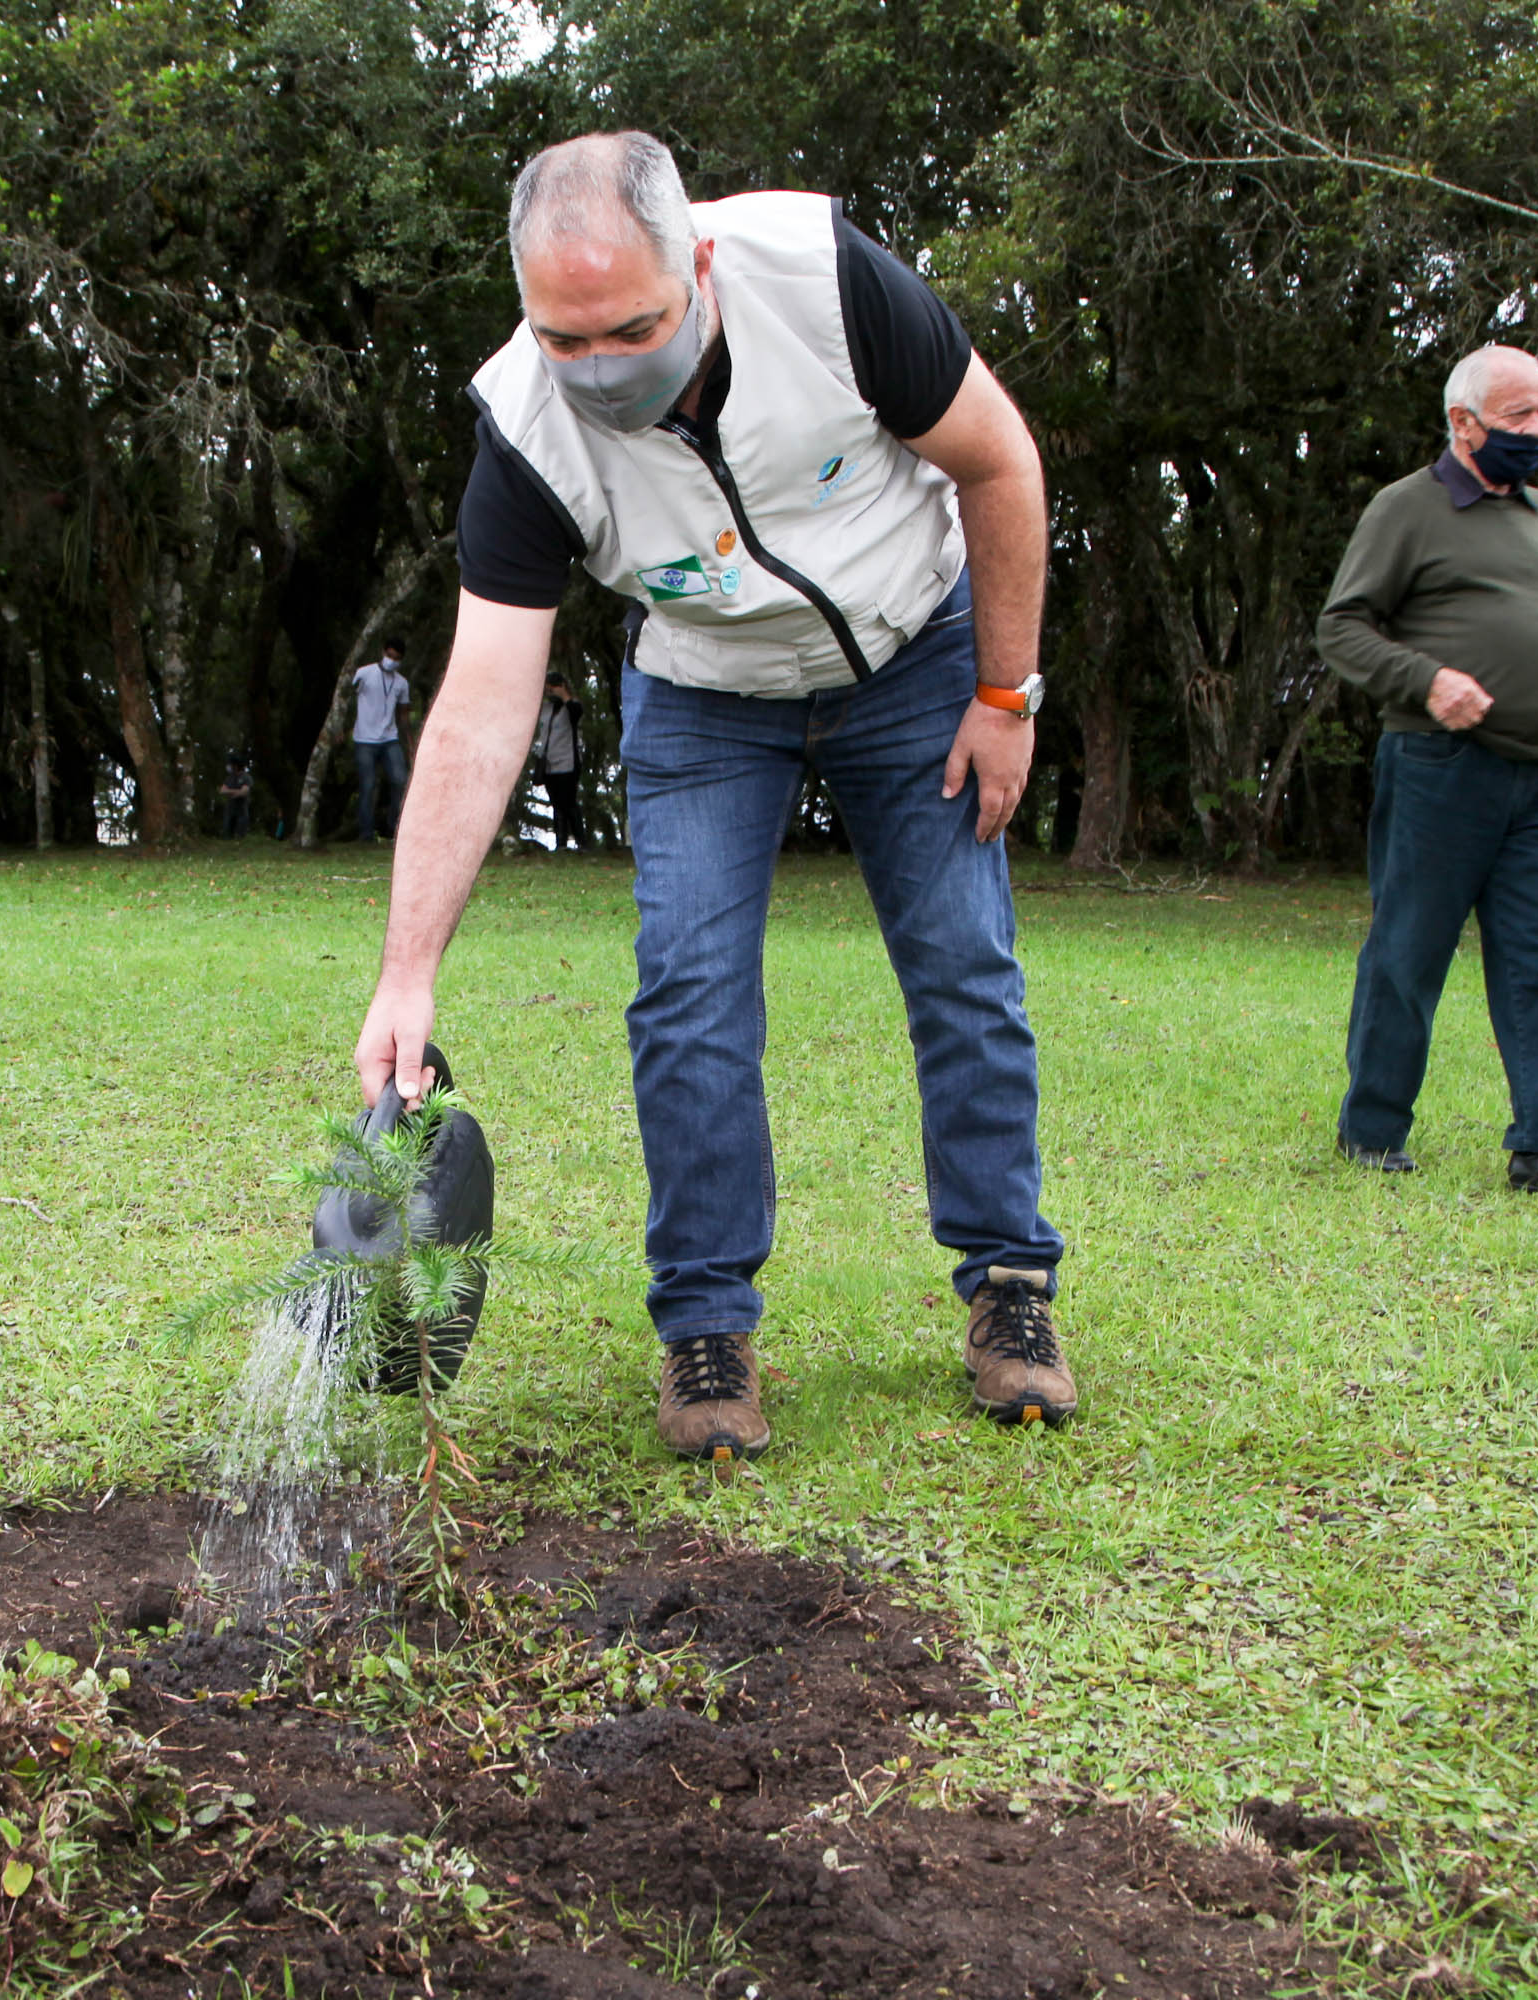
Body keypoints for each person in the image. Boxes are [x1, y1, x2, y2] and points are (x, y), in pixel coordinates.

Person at [352, 132, 1071, 1462]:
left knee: (965, 965)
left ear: (697, 263)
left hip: (917, 654)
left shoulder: (829, 283)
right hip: (701, 690)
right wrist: (408, 974)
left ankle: (1011, 1287)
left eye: (630, 326)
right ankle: (705, 1327)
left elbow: (1002, 464)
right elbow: (484, 701)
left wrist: (1006, 694)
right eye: (565, 339)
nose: (600, 365)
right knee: (686, 987)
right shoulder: (522, 426)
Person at [1317, 341, 1538, 1202]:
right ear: (1464, 424)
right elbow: (1342, 628)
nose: (1537, 431)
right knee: (1408, 951)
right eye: (1519, 417)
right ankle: (1373, 1132)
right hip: (1440, 767)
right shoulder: (1406, 510)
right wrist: (1428, 681)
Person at [352, 641, 413, 841]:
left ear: (401, 661)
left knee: (400, 780)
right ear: (383, 652)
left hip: (390, 738)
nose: (391, 661)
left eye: (396, 658)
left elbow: (404, 715)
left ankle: (394, 827)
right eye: (389, 655)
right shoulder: (364, 673)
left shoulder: (402, 683)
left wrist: (410, 743)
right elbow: (346, 698)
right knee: (367, 786)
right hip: (364, 739)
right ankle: (366, 834)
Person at [528, 670, 586, 850]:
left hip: (568, 762)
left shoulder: (573, 706)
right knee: (556, 804)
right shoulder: (545, 708)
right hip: (549, 763)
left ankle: (581, 842)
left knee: (569, 803)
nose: (550, 692)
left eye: (553, 688)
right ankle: (560, 844)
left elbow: (576, 714)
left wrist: (565, 696)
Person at [216, 749, 255, 840]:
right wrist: (236, 792)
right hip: (230, 810)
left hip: (241, 810)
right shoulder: (230, 778)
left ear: (236, 766)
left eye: (231, 764)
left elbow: (244, 792)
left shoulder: (246, 777)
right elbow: (222, 790)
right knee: (227, 834)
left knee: (240, 836)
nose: (229, 767)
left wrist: (230, 791)